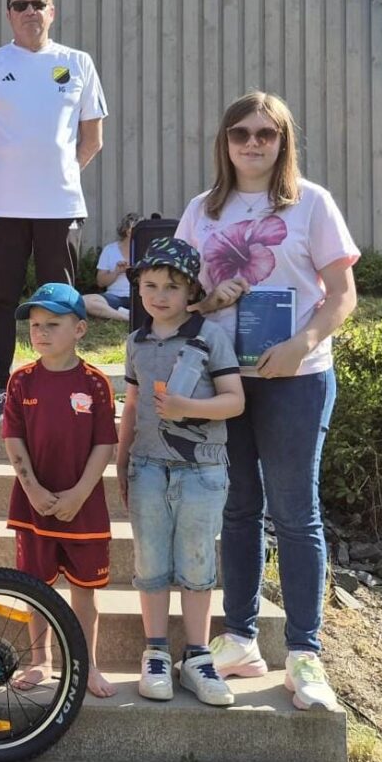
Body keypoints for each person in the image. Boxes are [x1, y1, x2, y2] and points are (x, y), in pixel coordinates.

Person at [175, 91, 358, 712]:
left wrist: (302, 342)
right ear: (224, 142)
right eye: (240, 133)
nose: (252, 144)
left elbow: (341, 295)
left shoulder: (312, 202)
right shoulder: (202, 209)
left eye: (265, 133)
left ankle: (305, 654)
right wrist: (208, 300)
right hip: (227, 381)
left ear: (283, 140)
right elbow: (180, 298)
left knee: (295, 512)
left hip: (296, 377)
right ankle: (239, 637)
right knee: (238, 511)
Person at [0, 0, 107, 423]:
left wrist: (56, 176)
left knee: (59, 299)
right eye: (20, 5)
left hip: (59, 208)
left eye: (38, 4)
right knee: (1, 299)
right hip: (2, 207)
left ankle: (59, 386)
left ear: (52, 11)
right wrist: (3, 178)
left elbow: (92, 139)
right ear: (9, 14)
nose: (30, 12)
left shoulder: (77, 63)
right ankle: (1, 388)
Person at [117, 238, 245, 707]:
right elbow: (131, 406)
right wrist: (122, 455)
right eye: (150, 285)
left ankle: (196, 655)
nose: (160, 295)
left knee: (196, 565)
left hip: (203, 471)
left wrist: (185, 406)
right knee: (150, 564)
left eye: (172, 286)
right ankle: (154, 651)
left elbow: (234, 400)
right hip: (147, 467)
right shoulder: (136, 342)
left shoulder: (210, 336)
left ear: (191, 289)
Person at [2, 283, 118, 698]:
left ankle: (86, 664)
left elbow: (105, 443)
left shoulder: (96, 383)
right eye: (35, 325)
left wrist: (79, 494)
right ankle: (41, 661)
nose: (41, 332)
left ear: (80, 330)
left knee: (84, 593)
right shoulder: (21, 382)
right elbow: (13, 438)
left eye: (53, 324)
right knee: (36, 587)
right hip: (34, 504)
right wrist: (31, 488)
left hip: (82, 507)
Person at [84, 211, 139, 322]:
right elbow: (100, 282)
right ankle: (126, 317)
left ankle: (111, 313)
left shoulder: (146, 249)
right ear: (129, 231)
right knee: (84, 301)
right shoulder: (110, 250)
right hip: (115, 297)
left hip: (139, 297)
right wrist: (117, 271)